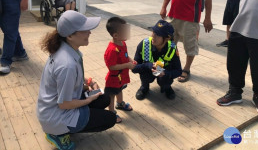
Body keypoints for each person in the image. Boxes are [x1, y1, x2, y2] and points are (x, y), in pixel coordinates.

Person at [37, 11, 116, 150]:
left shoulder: (65, 48)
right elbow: (64, 104)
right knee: (110, 119)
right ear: (70, 35)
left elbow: (70, 77)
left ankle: (66, 128)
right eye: (85, 30)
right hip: (57, 116)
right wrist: (88, 101)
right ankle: (59, 135)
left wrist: (89, 81)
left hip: (50, 109)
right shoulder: (67, 64)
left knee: (104, 99)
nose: (90, 33)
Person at [132, 20, 182, 100]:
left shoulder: (172, 48)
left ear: (167, 38)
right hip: (148, 70)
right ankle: (144, 87)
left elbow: (178, 71)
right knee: (144, 72)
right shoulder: (144, 44)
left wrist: (165, 73)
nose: (153, 36)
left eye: (158, 34)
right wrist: (148, 65)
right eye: (153, 32)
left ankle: (167, 87)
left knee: (165, 78)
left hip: (164, 73)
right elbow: (134, 68)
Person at [104, 17, 136, 123]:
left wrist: (131, 60)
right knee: (112, 95)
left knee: (120, 89)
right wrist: (127, 64)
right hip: (113, 78)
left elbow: (125, 56)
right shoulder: (112, 50)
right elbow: (111, 66)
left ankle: (120, 103)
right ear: (116, 35)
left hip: (122, 76)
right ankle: (112, 111)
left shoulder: (123, 43)